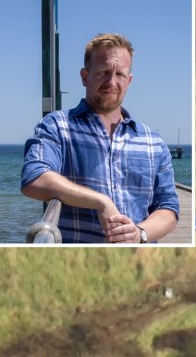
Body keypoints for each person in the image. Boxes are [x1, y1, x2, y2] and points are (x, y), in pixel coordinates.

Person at [21, 33, 179, 243]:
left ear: (129, 80)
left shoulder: (153, 141)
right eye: (104, 72)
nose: (112, 82)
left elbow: (168, 207)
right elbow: (34, 177)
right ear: (85, 76)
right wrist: (100, 201)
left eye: (120, 74)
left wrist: (139, 233)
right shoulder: (58, 126)